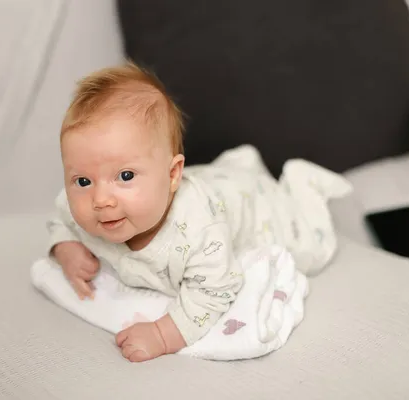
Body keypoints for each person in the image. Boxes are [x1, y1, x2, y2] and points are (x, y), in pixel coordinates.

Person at [46, 62, 351, 362]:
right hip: (214, 183)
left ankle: (303, 183)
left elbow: (217, 289)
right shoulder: (82, 208)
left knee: (312, 250)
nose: (100, 199)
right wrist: (65, 248)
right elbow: (61, 215)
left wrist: (162, 335)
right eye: (83, 180)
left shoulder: (199, 233)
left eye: (125, 176)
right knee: (225, 178)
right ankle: (240, 163)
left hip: (255, 208)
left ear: (172, 174)